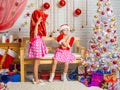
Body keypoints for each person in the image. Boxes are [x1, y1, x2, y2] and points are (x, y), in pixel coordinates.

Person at [28, 9, 48, 84]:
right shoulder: (34, 28)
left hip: (38, 45)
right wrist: (37, 23)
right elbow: (35, 34)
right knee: (36, 63)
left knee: (38, 62)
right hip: (36, 46)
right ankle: (36, 80)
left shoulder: (38, 27)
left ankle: (35, 78)